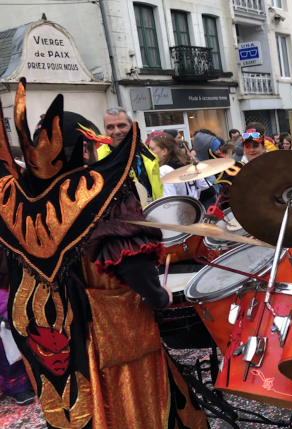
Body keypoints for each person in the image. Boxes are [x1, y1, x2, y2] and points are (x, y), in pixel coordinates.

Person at [0, 87, 208, 428]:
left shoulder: (20, 198)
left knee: (80, 405)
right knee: (130, 401)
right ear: (84, 147)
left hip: (55, 334)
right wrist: (158, 295)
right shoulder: (100, 190)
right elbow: (131, 261)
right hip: (113, 326)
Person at [100, 107, 163, 201]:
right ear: (105, 130)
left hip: (153, 212)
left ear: (131, 126)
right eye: (110, 127)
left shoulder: (145, 151)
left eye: (121, 125)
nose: (116, 131)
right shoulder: (97, 159)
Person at [148, 133, 213, 200]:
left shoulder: (164, 171)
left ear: (164, 151)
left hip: (181, 209)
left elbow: (170, 202)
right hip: (196, 207)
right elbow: (208, 190)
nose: (149, 152)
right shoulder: (188, 165)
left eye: (152, 149)